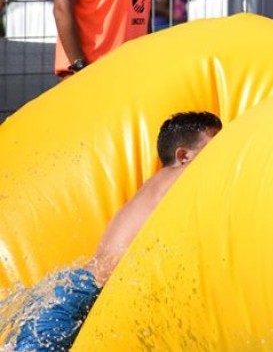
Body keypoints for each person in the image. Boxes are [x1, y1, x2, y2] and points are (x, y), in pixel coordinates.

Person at [12, 111, 222, 352]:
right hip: (79, 298)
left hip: (71, 293)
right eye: (214, 146)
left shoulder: (153, 187)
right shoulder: (177, 178)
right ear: (184, 156)